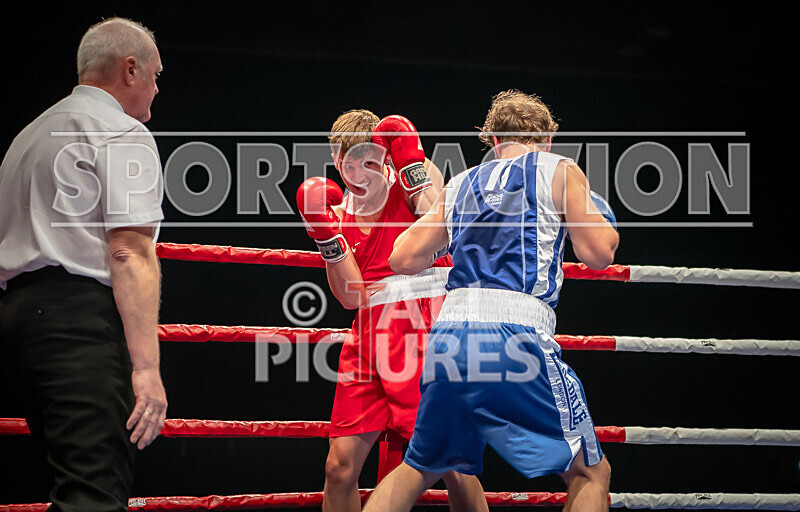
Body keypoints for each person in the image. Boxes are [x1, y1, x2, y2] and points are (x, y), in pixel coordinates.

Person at [363, 90, 619, 512]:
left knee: (418, 468)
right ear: (547, 140)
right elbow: (598, 255)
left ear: (493, 141)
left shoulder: (462, 182)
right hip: (516, 336)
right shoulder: (560, 169)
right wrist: (600, 220)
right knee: (590, 474)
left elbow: (401, 257)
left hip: (449, 338)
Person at [0, 17, 166, 512]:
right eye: (155, 76)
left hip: (16, 324)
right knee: (94, 494)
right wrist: (147, 368)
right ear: (130, 69)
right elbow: (128, 251)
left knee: (73, 484)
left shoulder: (26, 138)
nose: (157, 92)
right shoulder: (120, 132)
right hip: (77, 327)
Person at [296, 110, 488, 512]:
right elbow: (350, 296)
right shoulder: (337, 209)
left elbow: (447, 230)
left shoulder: (414, 171)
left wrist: (413, 174)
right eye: (345, 160)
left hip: (426, 318)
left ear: (383, 153)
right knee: (339, 468)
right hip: (368, 333)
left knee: (453, 461)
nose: (356, 171)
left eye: (367, 160)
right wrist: (324, 233)